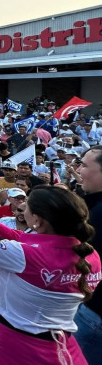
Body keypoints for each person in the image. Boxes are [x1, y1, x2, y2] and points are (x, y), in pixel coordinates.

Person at [0, 187, 101, 364]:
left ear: (37, 220)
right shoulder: (91, 255)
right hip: (64, 349)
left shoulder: (24, 256)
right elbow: (27, 240)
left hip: (15, 348)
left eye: (26, 208)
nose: (22, 210)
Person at [75, 146, 102, 356]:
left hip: (95, 314)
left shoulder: (99, 214)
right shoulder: (94, 205)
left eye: (84, 165)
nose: (78, 170)